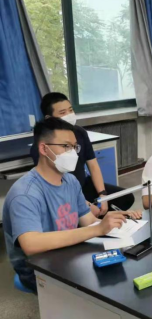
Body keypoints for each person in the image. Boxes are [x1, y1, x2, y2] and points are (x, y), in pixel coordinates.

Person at [4, 118, 141, 292]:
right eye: (65, 146)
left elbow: (87, 220)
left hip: (66, 252)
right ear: (44, 149)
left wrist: (113, 221)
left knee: (119, 273)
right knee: (97, 288)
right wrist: (97, 229)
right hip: (35, 267)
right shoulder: (25, 193)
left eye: (75, 147)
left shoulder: (70, 181)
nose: (73, 153)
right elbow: (31, 245)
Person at [31, 93, 135, 217]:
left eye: (71, 110)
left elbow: (93, 165)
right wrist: (86, 205)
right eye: (63, 112)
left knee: (126, 198)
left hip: (83, 185)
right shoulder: (44, 146)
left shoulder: (80, 132)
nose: (69, 115)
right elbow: (54, 185)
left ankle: (99, 221)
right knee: (82, 216)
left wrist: (103, 194)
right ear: (49, 118)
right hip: (64, 193)